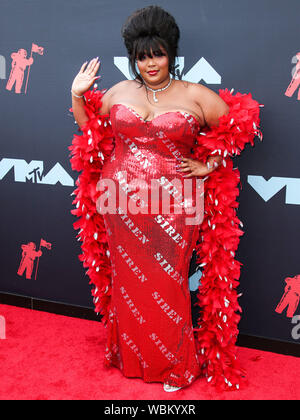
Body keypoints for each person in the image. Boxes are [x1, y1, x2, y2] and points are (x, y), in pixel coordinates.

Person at [69, 5, 263, 392]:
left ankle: (175, 366)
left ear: (171, 52)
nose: (150, 64)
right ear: (133, 59)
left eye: (156, 54)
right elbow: (91, 132)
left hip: (175, 204)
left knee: (168, 283)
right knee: (127, 282)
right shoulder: (119, 92)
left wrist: (211, 164)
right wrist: (77, 95)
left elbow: (242, 124)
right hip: (119, 201)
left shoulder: (194, 94)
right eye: (142, 57)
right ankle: (131, 356)